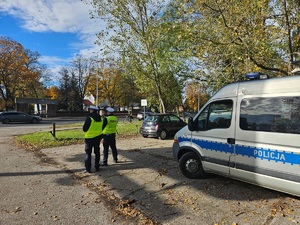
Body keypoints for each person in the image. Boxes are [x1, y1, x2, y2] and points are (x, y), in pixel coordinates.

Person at [82, 105, 103, 173]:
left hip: (89, 138)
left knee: (88, 154)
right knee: (97, 152)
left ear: (92, 110)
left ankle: (88, 168)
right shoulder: (101, 119)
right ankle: (97, 167)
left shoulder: (89, 118)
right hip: (98, 137)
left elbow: (84, 129)